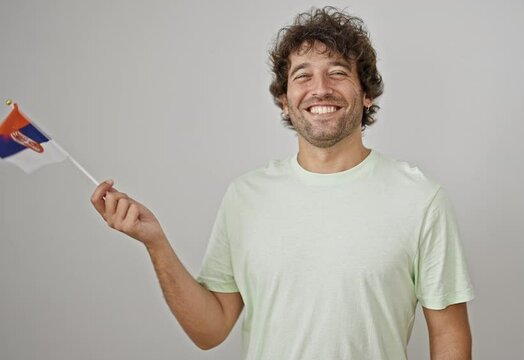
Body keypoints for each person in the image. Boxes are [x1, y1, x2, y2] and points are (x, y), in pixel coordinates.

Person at [91, 6, 474, 360]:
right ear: (284, 100)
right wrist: (155, 242)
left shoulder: (420, 198)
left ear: (367, 94)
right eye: (302, 75)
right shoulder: (245, 196)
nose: (320, 88)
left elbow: (449, 334)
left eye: (338, 72)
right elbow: (210, 330)